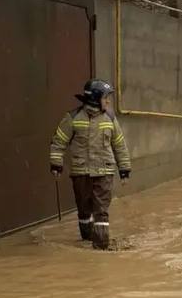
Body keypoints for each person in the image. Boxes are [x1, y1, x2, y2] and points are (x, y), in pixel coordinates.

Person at [50, 78, 130, 250]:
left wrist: (124, 168)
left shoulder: (110, 118)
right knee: (84, 208)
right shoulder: (72, 118)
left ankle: (101, 246)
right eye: (105, 97)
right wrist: (56, 164)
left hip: (104, 172)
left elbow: (119, 145)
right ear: (94, 98)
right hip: (81, 173)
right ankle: (87, 238)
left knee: (101, 210)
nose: (108, 101)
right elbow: (59, 142)